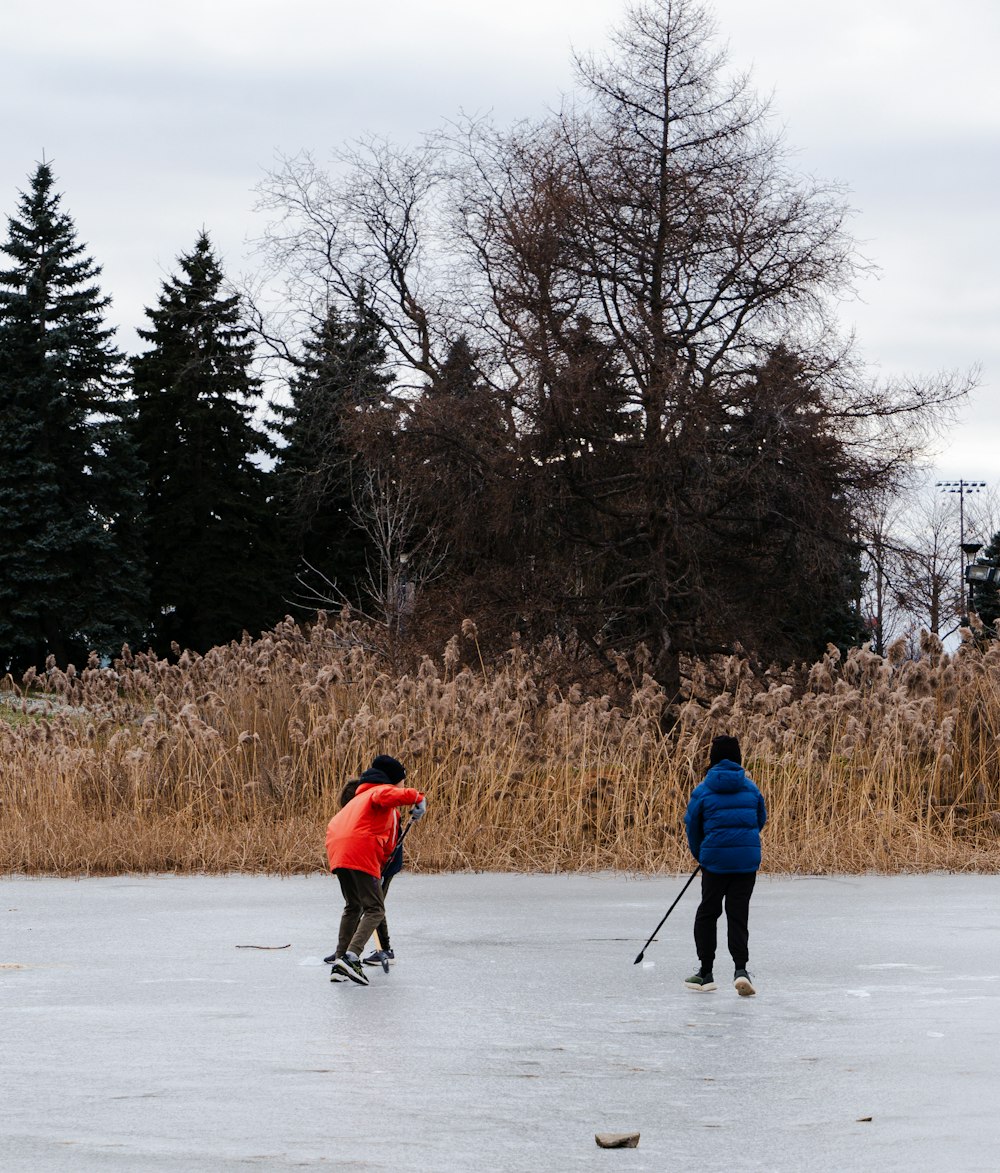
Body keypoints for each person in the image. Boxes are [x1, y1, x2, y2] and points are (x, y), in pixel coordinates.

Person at [324, 754, 426, 986]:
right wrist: (417, 798)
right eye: (403, 782)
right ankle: (350, 959)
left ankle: (340, 960)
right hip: (360, 850)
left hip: (338, 851)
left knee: (353, 906)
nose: (404, 786)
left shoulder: (357, 799)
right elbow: (388, 796)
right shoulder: (378, 792)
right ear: (392, 781)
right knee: (375, 909)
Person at [683, 734, 766, 996]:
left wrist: (703, 854)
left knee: (708, 913)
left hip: (715, 864)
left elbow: (692, 827)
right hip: (745, 864)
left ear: (713, 758)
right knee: (737, 914)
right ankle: (741, 970)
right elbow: (759, 820)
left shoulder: (703, 790)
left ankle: (705, 972)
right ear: (739, 757)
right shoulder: (751, 788)